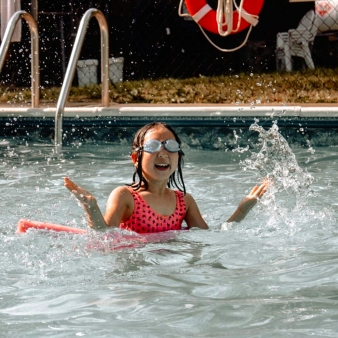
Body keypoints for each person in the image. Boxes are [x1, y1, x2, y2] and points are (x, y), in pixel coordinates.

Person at [64, 122, 269, 233]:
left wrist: (242, 210)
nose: (163, 153)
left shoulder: (184, 202)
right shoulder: (125, 196)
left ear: (178, 156)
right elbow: (104, 237)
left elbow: (210, 238)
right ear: (136, 158)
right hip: (137, 268)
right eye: (153, 147)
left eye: (171, 147)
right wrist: (90, 207)